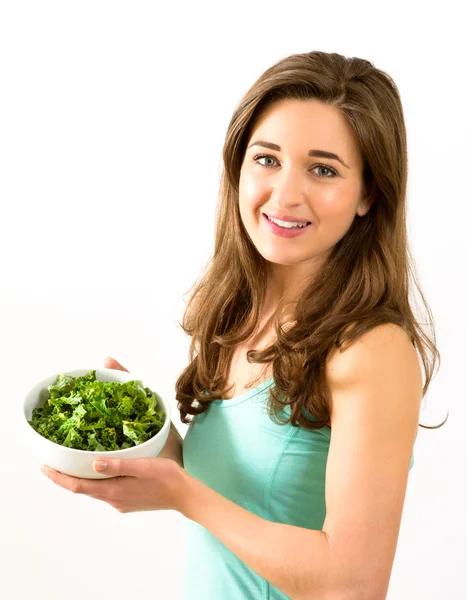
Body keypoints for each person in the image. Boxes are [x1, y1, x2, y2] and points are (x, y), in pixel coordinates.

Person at [42, 51, 445, 600]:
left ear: (368, 194)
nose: (286, 194)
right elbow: (250, 503)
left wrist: (183, 495)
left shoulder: (370, 349)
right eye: (267, 159)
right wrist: (152, 448)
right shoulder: (235, 316)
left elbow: (354, 585)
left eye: (323, 169)